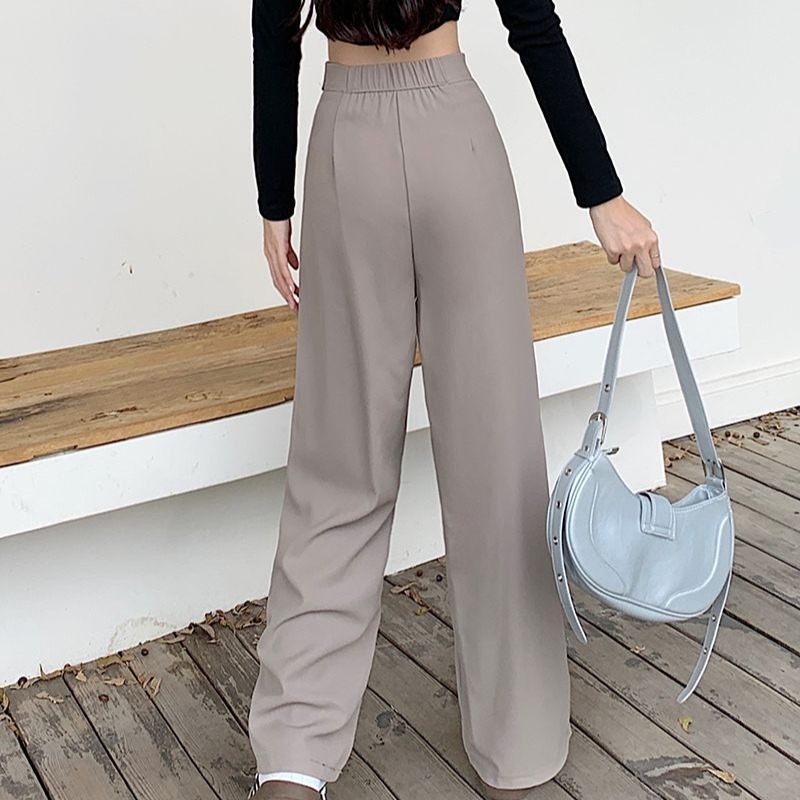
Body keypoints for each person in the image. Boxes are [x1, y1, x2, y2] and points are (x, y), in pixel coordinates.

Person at [247, 2, 660, 799]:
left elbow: (274, 32)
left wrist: (274, 203)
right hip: (457, 138)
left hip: (345, 149)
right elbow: (532, 25)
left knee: (338, 464)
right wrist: (602, 194)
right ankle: (520, 743)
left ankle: (294, 754)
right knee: (495, 459)